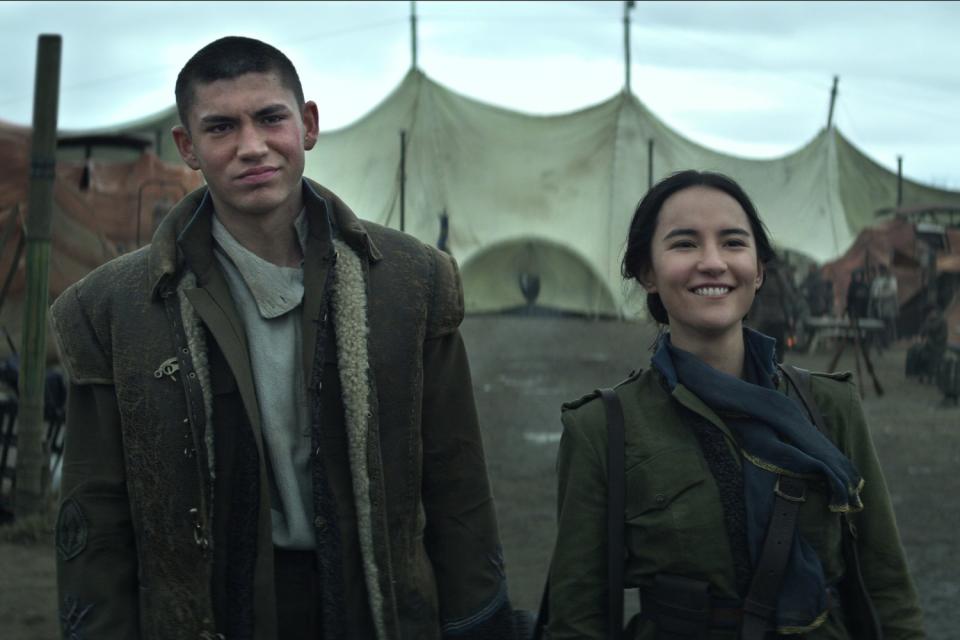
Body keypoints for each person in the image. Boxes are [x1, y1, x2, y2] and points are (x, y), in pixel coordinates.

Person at [51, 36, 517, 640]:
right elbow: (97, 519)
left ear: (309, 124)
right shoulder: (112, 309)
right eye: (221, 128)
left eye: (271, 117)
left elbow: (458, 488)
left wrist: (478, 622)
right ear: (187, 147)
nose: (252, 147)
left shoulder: (412, 283)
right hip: (209, 612)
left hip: (376, 612)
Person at [546, 170, 925, 639]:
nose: (712, 262)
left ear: (759, 269)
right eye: (684, 244)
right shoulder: (604, 429)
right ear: (647, 272)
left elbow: (886, 589)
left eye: (733, 243)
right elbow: (576, 618)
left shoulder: (830, 406)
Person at [869, 264, 899, 347]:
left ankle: (887, 342)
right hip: (878, 305)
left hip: (888, 306)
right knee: (878, 324)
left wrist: (881, 295)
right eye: (880, 270)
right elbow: (874, 292)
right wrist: (876, 296)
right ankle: (879, 342)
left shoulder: (891, 280)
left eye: (883, 270)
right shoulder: (877, 280)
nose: (881, 272)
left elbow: (892, 291)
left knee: (888, 325)